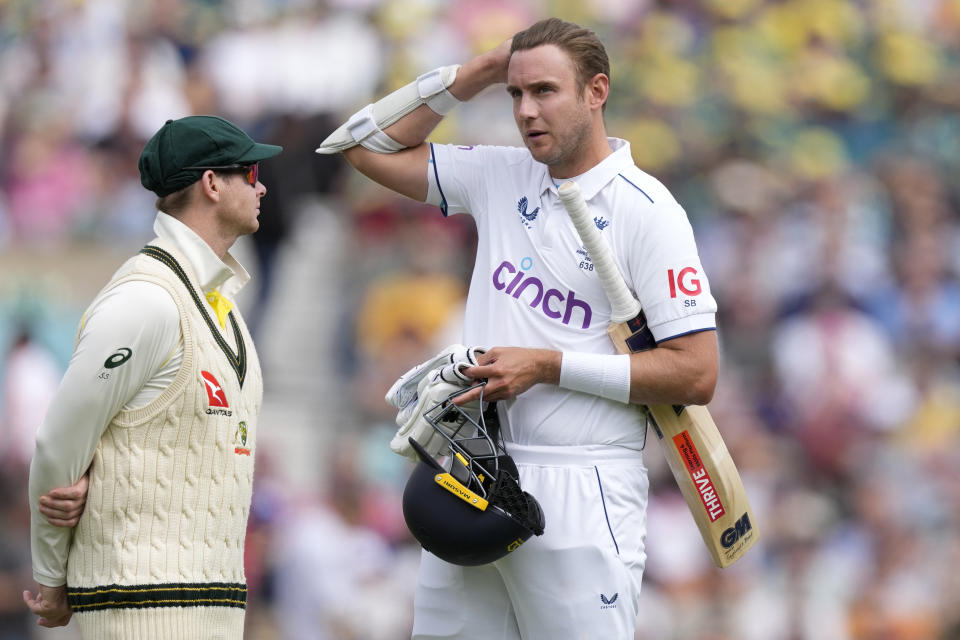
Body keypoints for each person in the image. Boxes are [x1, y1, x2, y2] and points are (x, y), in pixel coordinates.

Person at [316, 17, 719, 640]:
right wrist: (478, 71)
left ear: (597, 91)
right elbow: (357, 147)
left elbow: (696, 373)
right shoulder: (500, 175)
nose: (526, 111)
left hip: (585, 485)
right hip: (474, 469)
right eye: (516, 93)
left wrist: (548, 366)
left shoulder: (649, 211)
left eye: (545, 91)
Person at [23, 115, 282, 639]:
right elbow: (60, 443)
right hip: (138, 612)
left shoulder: (222, 307)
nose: (263, 186)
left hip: (214, 612)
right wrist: (52, 575)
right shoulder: (146, 300)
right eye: (251, 173)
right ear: (211, 183)